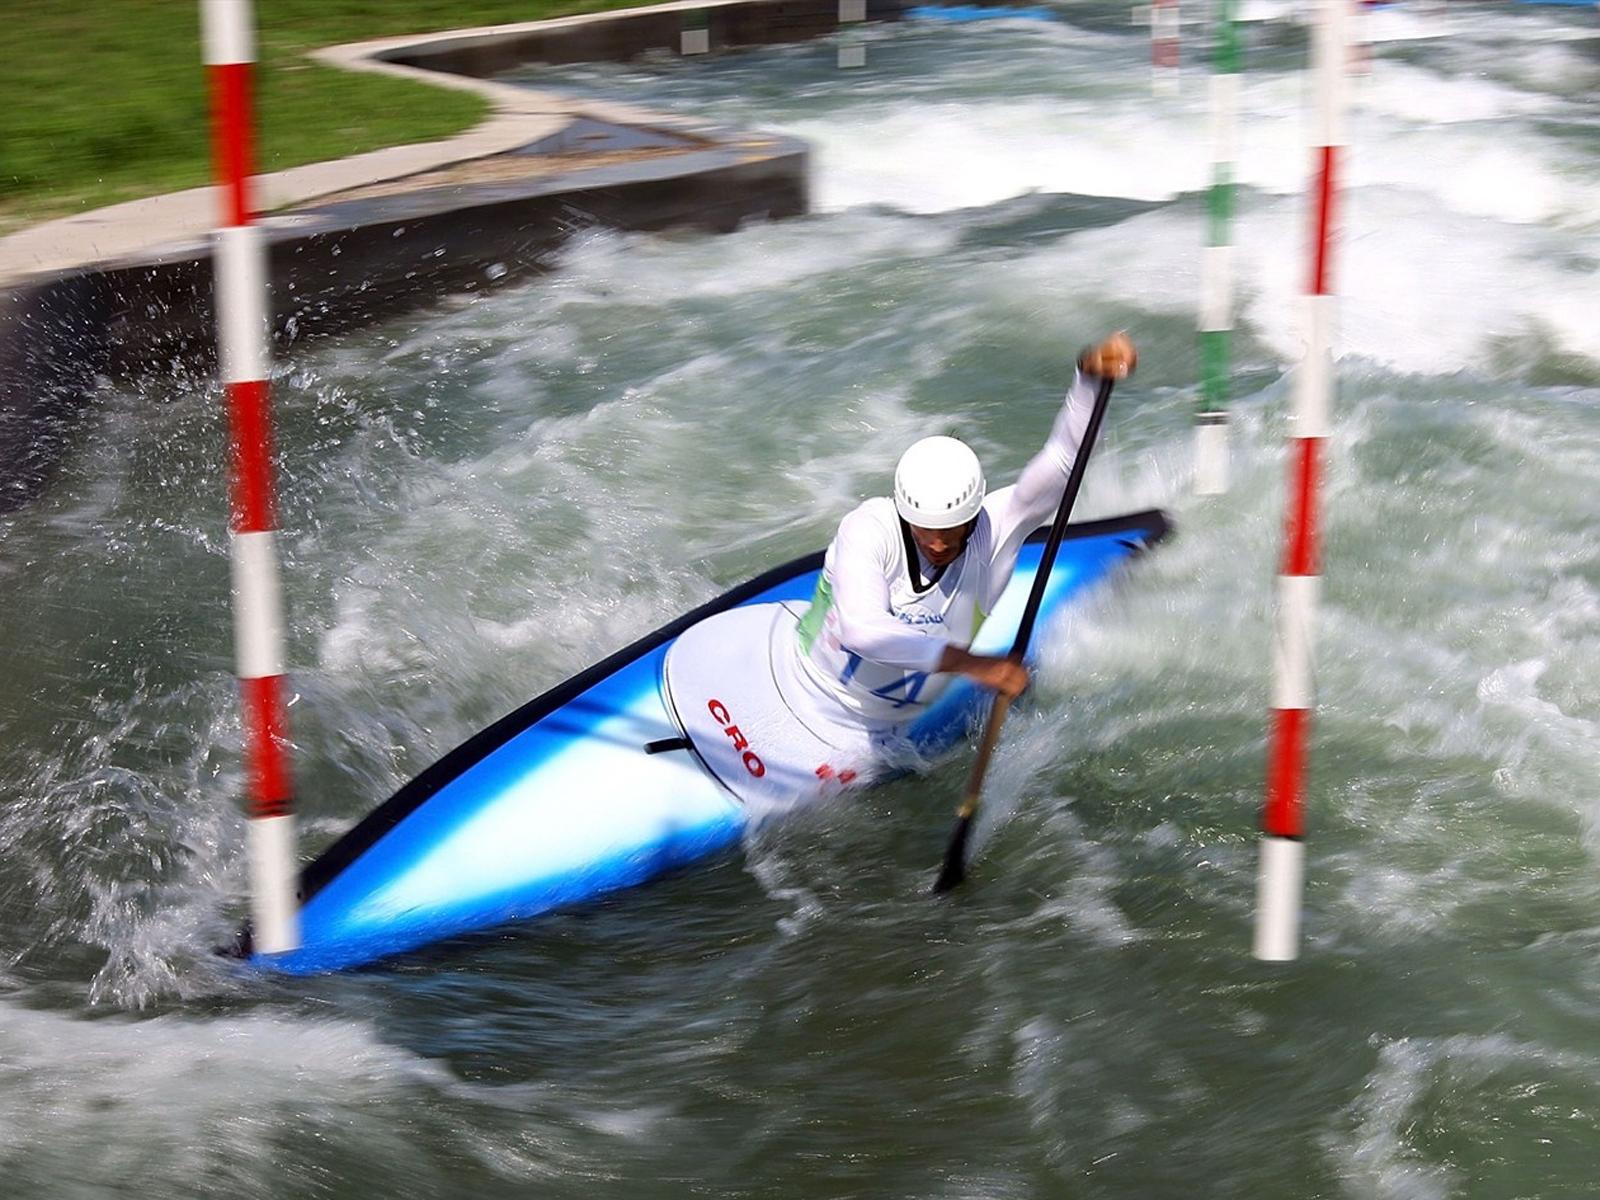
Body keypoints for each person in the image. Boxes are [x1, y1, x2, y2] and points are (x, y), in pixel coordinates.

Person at [782, 332, 1137, 758]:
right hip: (802, 688)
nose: (937, 543)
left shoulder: (997, 528)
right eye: (924, 529)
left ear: (973, 512)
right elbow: (862, 630)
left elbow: (1065, 460)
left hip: (880, 733)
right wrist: (977, 666)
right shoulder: (868, 528)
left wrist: (1089, 379)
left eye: (951, 529)